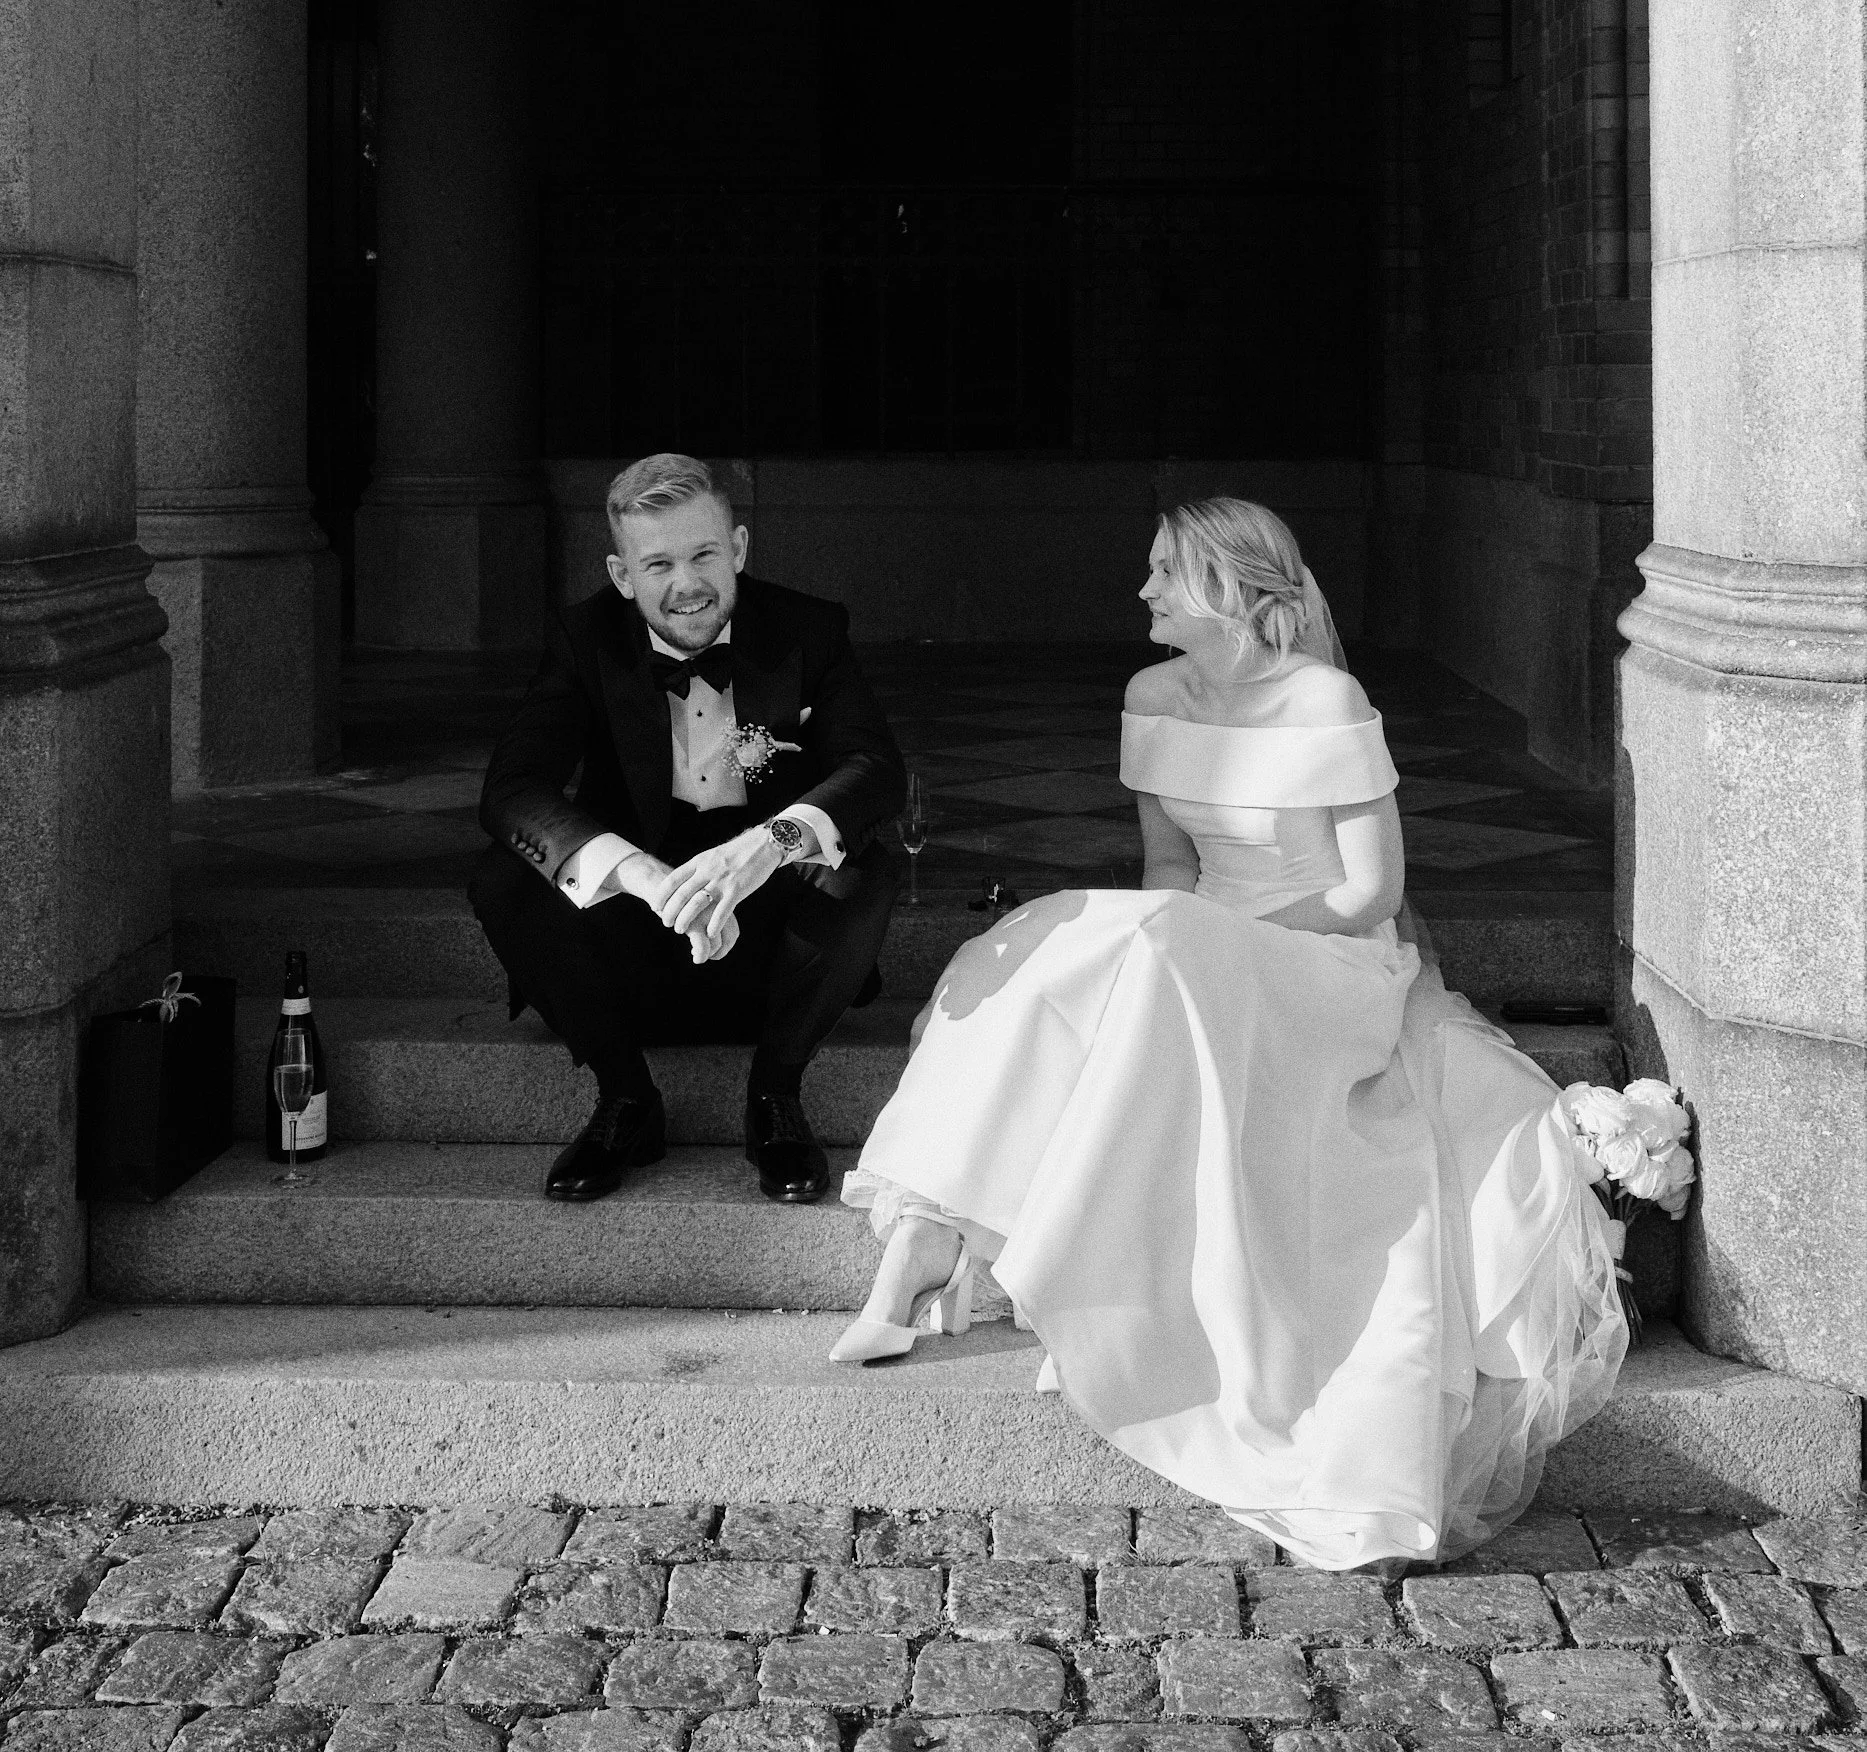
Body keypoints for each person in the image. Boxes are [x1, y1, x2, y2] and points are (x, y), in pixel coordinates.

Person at [833, 497, 1626, 1568]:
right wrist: (1192, 940)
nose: (1145, 592)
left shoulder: (1323, 697)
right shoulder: (1151, 692)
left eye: (1165, 571)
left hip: (1332, 963)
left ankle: (966, 1249)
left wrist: (1219, 940)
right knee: (1058, 946)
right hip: (1201, 944)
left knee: (1151, 950)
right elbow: (1169, 870)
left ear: (1235, 590)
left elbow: (1368, 890)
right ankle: (932, 1229)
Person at [472, 452, 906, 1205]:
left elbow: (874, 769)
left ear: (736, 548)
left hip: (771, 937)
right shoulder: (584, 639)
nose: (687, 584)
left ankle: (774, 1096)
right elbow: (512, 789)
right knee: (503, 876)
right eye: (659, 563)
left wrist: (764, 849)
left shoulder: (809, 627)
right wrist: (641, 876)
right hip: (638, 935)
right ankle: (625, 1100)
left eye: (704, 553)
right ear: (621, 574)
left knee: (863, 865)